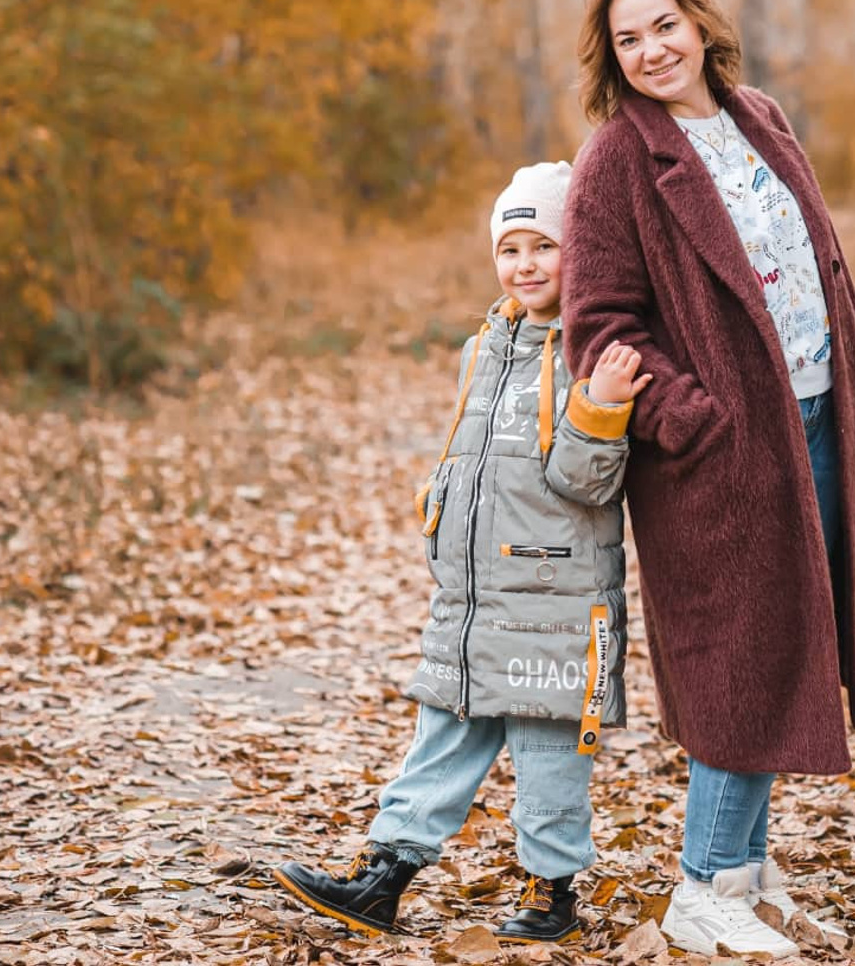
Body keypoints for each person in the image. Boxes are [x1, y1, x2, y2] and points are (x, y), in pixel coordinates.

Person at [562, 0, 855, 959]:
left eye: (663, 24)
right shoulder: (615, 160)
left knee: (791, 643)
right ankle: (701, 883)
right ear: (611, 58)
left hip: (818, 420)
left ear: (698, 22)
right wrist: (692, 418)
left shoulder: (759, 117)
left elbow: (813, 250)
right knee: (737, 663)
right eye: (628, 37)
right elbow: (599, 327)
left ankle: (745, 877)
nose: (651, 48)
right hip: (720, 453)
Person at [273, 161, 651, 945]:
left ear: (579, 251)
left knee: (549, 756)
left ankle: (553, 896)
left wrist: (602, 410)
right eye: (510, 248)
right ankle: (383, 877)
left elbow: (586, 485)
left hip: (553, 596)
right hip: (474, 595)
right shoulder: (485, 345)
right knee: (441, 731)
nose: (525, 265)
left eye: (544, 246)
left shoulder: (591, 351)